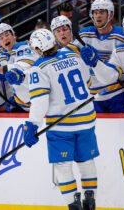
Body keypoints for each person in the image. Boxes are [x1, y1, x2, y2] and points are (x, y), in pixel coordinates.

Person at [23, 29, 98, 210]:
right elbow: (88, 82)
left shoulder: (38, 68)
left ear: (38, 49)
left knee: (63, 165)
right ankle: (91, 201)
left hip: (62, 126)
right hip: (87, 119)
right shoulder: (73, 55)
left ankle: (74, 205)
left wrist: (32, 125)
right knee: (86, 161)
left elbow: (40, 101)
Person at [79, 0, 124, 113]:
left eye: (101, 12)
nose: (98, 16)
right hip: (95, 96)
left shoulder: (122, 35)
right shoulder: (84, 34)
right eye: (95, 13)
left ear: (110, 15)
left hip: (117, 93)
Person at [0, 22, 39, 111]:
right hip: (25, 104)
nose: (5, 38)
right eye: (1, 38)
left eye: (7, 34)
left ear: (14, 35)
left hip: (38, 100)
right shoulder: (4, 55)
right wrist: (16, 97)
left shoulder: (24, 48)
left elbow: (22, 68)